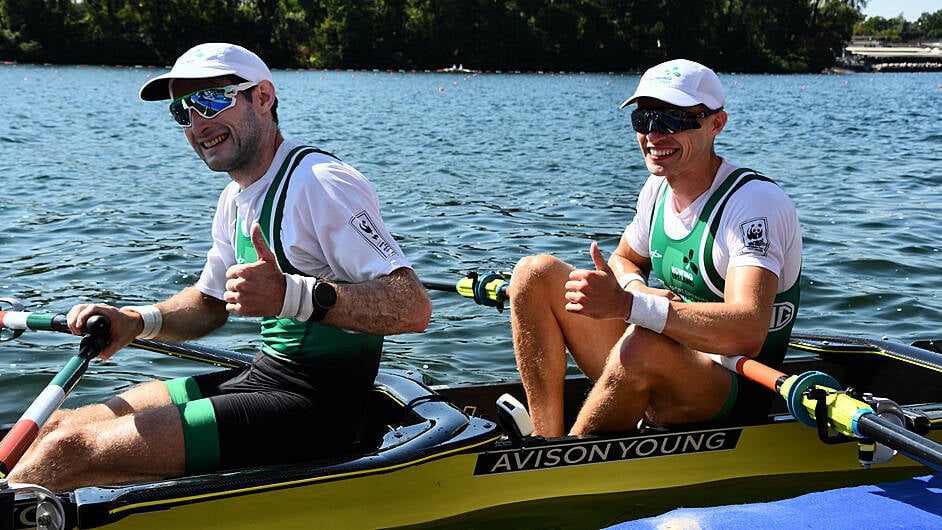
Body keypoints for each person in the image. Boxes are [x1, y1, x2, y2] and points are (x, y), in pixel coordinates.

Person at [9, 43, 431, 490]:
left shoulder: (320, 183)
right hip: (266, 378)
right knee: (56, 427)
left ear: (263, 98)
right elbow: (208, 304)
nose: (199, 124)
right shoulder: (236, 197)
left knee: (63, 454)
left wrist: (292, 295)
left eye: (211, 100)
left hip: (319, 408)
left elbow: (411, 307)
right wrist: (136, 320)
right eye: (183, 112)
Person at [510, 58, 801, 437]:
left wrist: (630, 307)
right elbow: (624, 259)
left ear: (717, 124)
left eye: (675, 120)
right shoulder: (658, 189)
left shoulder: (754, 204)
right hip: (666, 354)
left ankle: (565, 462)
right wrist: (634, 290)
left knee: (642, 344)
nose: (655, 135)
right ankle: (546, 439)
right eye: (644, 119)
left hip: (735, 386)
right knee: (534, 274)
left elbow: (747, 331)